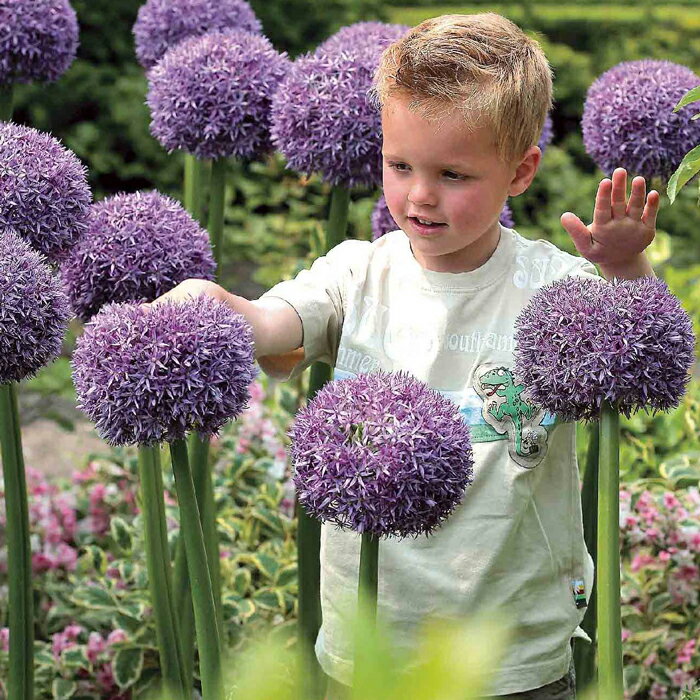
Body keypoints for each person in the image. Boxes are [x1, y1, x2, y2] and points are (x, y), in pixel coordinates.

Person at [149, 13, 659, 699]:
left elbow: (642, 352)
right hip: (371, 645)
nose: (419, 195)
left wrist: (628, 271)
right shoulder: (358, 273)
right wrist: (217, 304)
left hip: (512, 655)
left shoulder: (555, 287)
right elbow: (275, 323)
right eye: (400, 165)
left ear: (521, 170)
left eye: (453, 173)